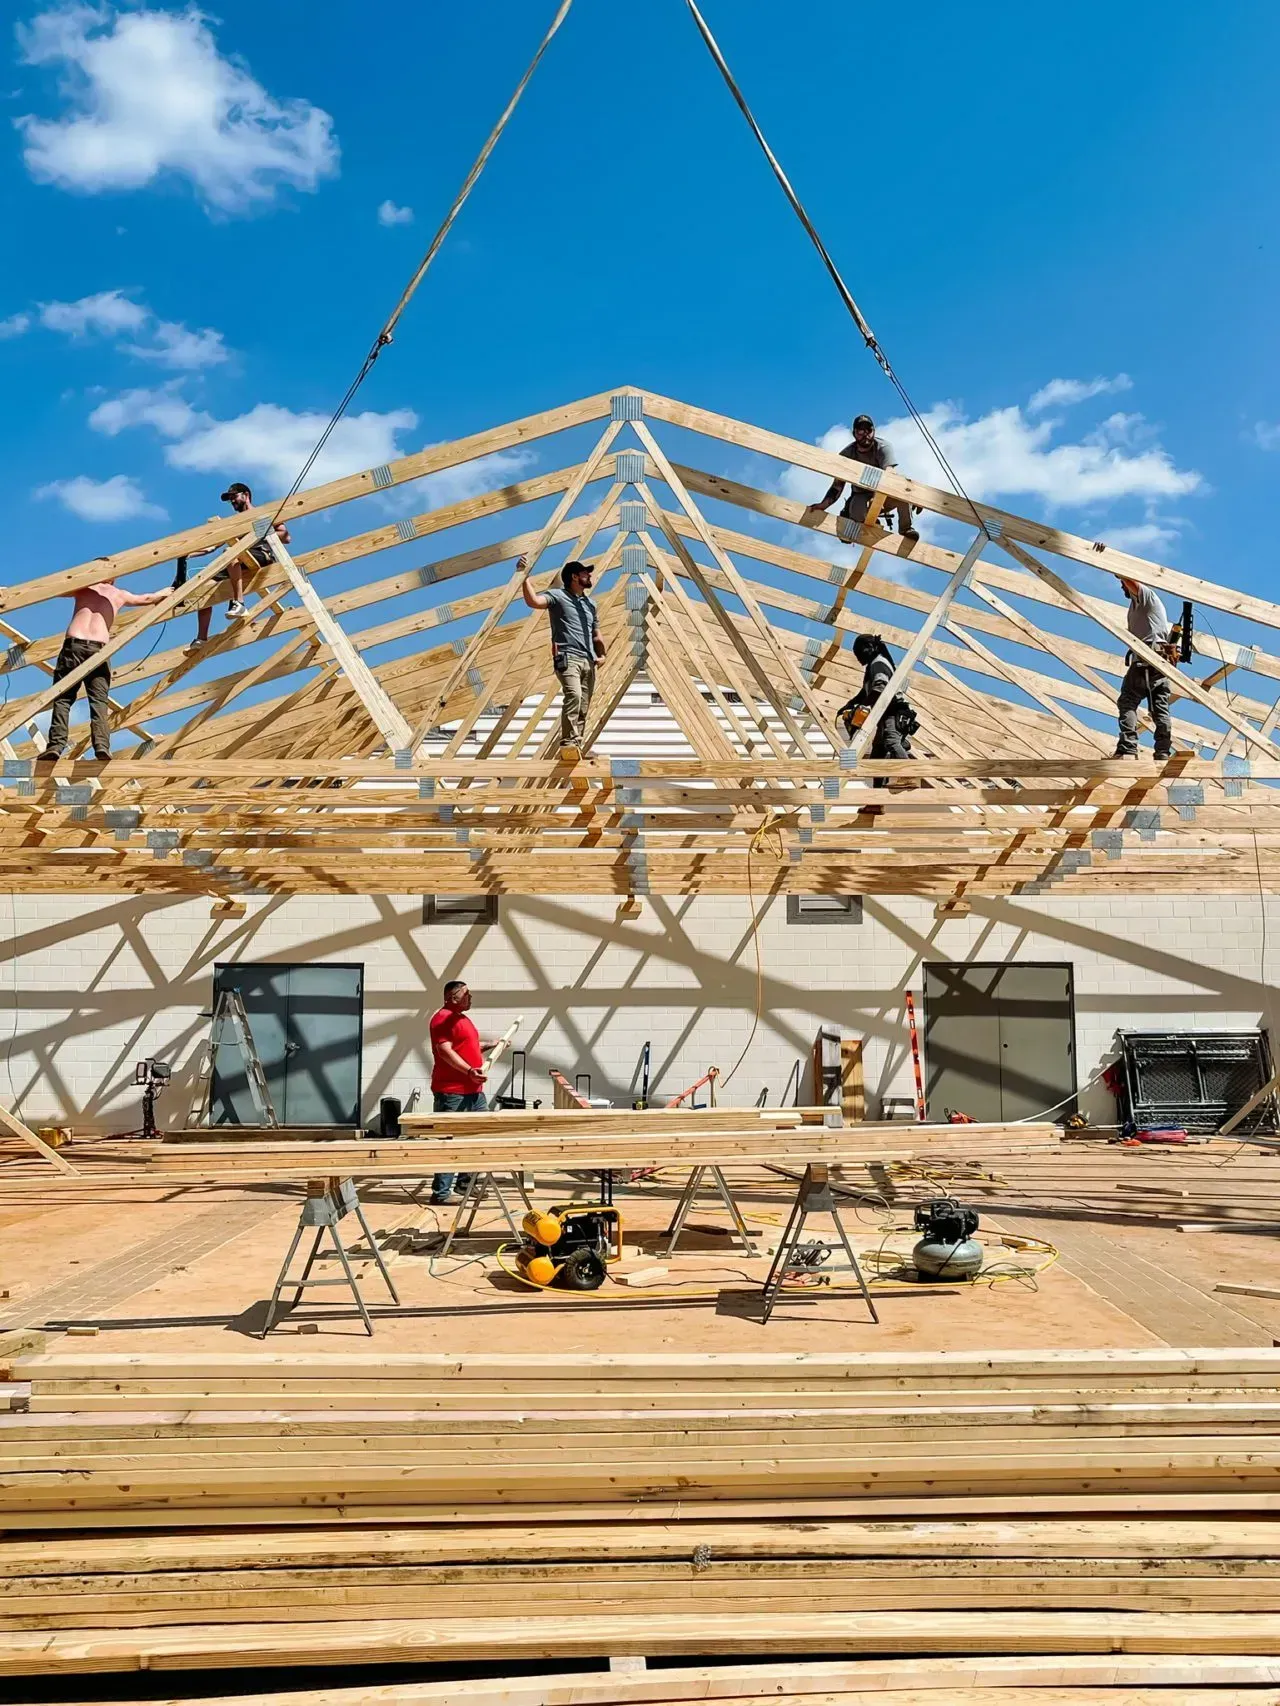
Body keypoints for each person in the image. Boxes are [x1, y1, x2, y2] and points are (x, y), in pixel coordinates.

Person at [40, 579, 168, 762]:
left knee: (63, 699)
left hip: (74, 646)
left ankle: (55, 746)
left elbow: (54, 589)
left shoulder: (84, 588)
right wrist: (163, 592)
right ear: (113, 577)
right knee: (99, 702)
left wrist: (12, 594)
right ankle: (102, 746)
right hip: (99, 650)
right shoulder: (118, 594)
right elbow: (147, 598)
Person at [182, 482, 291, 646]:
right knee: (203, 587)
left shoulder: (261, 514)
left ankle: (238, 603)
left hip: (262, 555)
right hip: (237, 561)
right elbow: (211, 547)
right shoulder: (234, 523)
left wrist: (260, 532)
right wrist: (188, 554)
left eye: (234, 497)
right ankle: (201, 638)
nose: (232, 501)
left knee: (230, 553)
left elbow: (286, 537)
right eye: (230, 499)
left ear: (246, 495)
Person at [520, 554, 606, 758]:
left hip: (588, 660)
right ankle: (567, 741)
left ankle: (576, 743)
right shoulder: (557, 596)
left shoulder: (590, 605)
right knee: (574, 695)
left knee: (584, 704)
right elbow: (533, 601)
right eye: (586, 572)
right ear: (575, 577)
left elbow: (596, 634)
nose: (589, 575)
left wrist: (602, 655)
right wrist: (524, 577)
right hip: (568, 657)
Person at [429, 979, 494, 1205]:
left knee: (478, 1138)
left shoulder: (462, 1019)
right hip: (453, 1092)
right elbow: (445, 1051)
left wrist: (490, 1045)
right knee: (449, 1141)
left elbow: (465, 1045)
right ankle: (441, 1193)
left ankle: (466, 1183)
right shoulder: (442, 1019)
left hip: (474, 1091)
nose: (471, 998)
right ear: (453, 997)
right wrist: (469, 1071)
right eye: (467, 994)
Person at [811, 414, 919, 544]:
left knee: (901, 489)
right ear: (854, 433)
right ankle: (858, 524)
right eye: (861, 431)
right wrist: (823, 505)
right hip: (861, 494)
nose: (865, 434)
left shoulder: (882, 447)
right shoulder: (847, 455)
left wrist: (913, 495)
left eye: (869, 430)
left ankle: (906, 529)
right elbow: (837, 486)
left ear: (874, 431)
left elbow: (890, 474)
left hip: (884, 493)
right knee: (857, 512)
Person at [837, 633, 918, 788]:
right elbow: (864, 694)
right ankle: (876, 801)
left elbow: (879, 689)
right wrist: (849, 705)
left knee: (891, 741)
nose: (858, 657)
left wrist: (860, 709)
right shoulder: (872, 667)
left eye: (859, 652)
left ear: (870, 648)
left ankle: (909, 777)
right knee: (877, 755)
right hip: (884, 716)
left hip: (894, 712)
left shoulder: (878, 663)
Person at [1115, 577, 1174, 761]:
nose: (1122, 587)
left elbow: (1131, 581)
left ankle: (1128, 749)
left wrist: (1116, 569)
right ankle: (1163, 751)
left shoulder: (1147, 596)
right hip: (1160, 662)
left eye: (1123, 584)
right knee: (1160, 708)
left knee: (1127, 701)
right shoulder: (1136, 606)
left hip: (1146, 656)